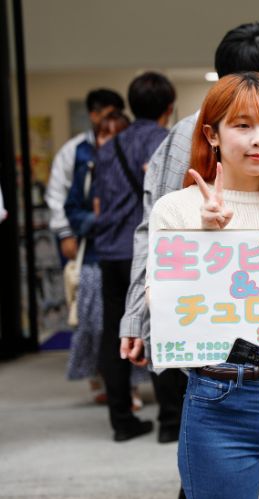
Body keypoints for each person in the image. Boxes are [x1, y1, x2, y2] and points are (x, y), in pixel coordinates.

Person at [149, 72, 259, 499]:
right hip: (219, 396)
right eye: (243, 125)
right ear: (212, 134)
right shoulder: (177, 210)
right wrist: (204, 236)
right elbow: (165, 308)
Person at [118, 24, 259, 445]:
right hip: (204, 321)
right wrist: (139, 316)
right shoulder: (189, 137)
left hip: (254, 321)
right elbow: (156, 233)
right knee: (210, 446)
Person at [94, 72, 175, 442]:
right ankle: (170, 422)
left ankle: (121, 420)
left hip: (110, 250)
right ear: (169, 109)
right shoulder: (166, 143)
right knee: (162, 327)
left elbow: (97, 202)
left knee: (116, 331)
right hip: (147, 251)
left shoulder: (108, 146)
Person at [64, 110, 134, 403]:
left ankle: (126, 390)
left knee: (128, 326)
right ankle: (108, 385)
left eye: (116, 135)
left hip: (130, 254)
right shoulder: (89, 169)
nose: (109, 141)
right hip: (96, 256)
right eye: (104, 134)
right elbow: (73, 208)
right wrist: (98, 220)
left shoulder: (137, 167)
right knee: (98, 327)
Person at [45, 89, 125, 261]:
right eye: (110, 114)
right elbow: (57, 193)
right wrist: (65, 234)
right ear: (94, 115)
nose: (114, 119)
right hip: (82, 238)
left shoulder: (128, 148)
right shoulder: (75, 149)